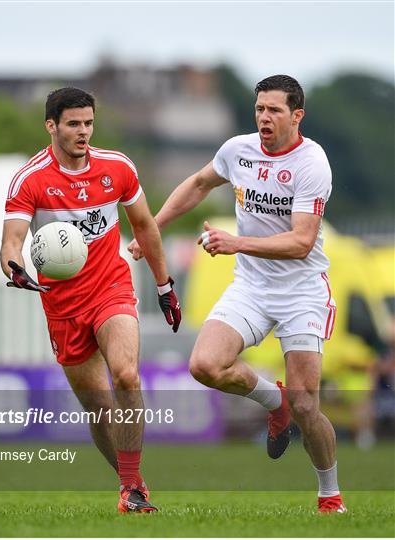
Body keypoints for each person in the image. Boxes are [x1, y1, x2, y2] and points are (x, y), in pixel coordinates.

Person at [128, 75, 346, 513]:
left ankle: (330, 495)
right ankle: (273, 400)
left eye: (275, 111)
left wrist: (236, 243)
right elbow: (197, 184)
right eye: (260, 108)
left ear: (297, 115)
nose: (264, 118)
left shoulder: (311, 163)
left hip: (302, 291)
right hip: (251, 285)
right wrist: (150, 228)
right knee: (205, 365)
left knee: (308, 405)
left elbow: (301, 242)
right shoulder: (237, 150)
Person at [0, 87, 181, 513]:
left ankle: (133, 490)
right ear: (51, 126)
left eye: (89, 123)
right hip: (61, 303)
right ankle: (129, 482)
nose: (83, 132)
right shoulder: (31, 179)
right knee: (99, 407)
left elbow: (145, 227)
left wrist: (164, 285)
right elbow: (11, 242)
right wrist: (14, 268)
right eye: (73, 124)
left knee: (126, 376)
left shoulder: (117, 168)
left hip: (111, 288)